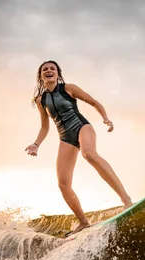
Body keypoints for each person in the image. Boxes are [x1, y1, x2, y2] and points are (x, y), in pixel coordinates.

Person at [25, 60, 133, 235]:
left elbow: (93, 102)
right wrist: (36, 144)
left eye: (52, 68)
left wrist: (105, 117)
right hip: (65, 138)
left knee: (89, 154)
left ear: (58, 74)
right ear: (41, 76)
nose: (49, 71)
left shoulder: (68, 88)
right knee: (63, 183)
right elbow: (45, 127)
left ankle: (126, 199)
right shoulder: (41, 100)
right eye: (45, 69)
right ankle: (83, 222)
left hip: (82, 127)